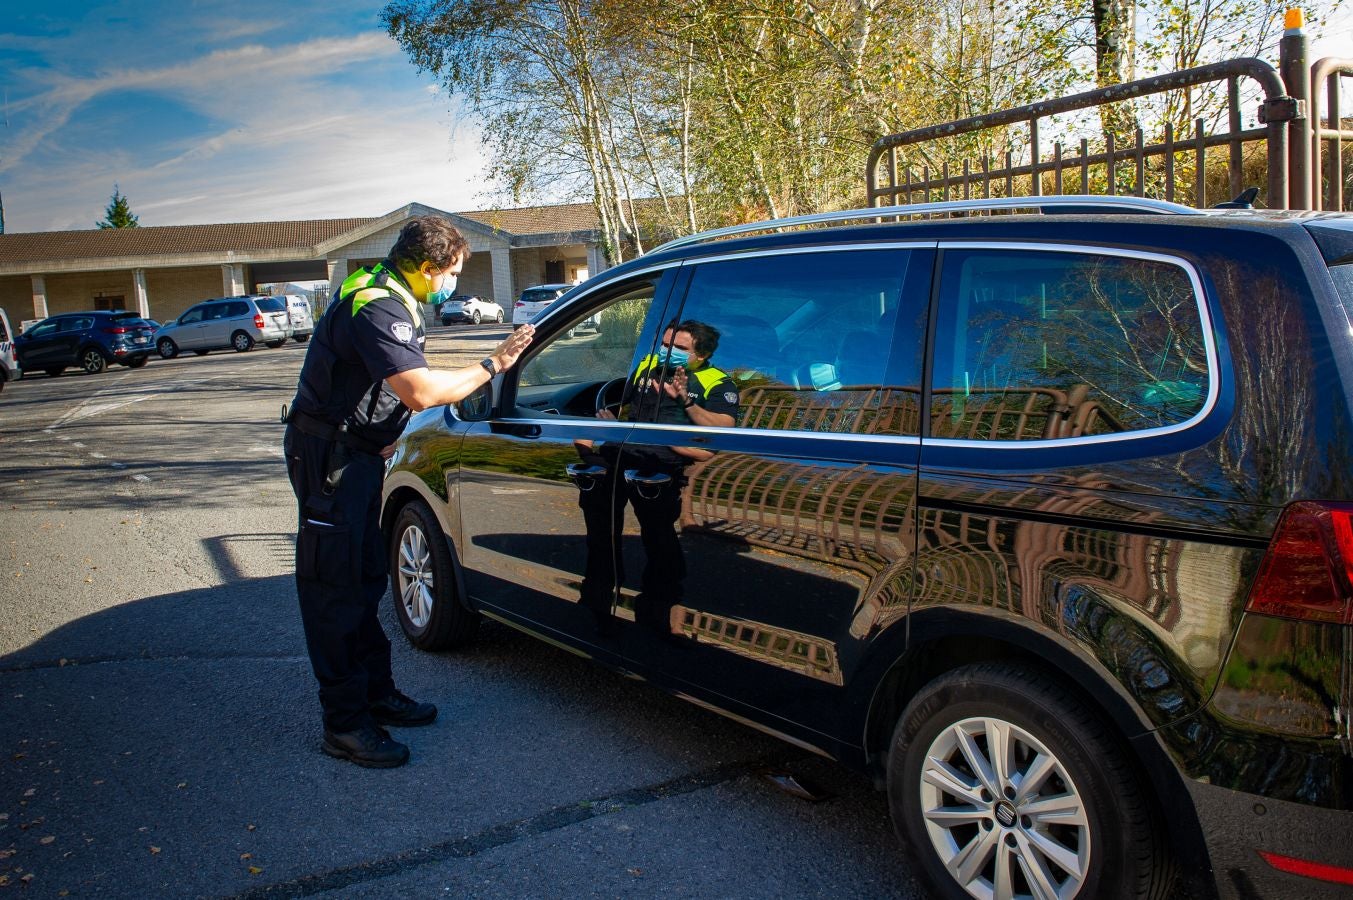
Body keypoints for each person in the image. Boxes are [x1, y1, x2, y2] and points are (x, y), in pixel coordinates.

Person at [283, 215, 533, 768]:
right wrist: (493, 364)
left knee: (366, 576)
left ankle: (376, 694)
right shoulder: (377, 305)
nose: (453, 283)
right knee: (335, 588)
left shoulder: (391, 293)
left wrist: (381, 434)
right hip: (330, 462)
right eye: (452, 272)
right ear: (425, 267)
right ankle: (345, 724)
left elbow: (383, 382)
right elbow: (419, 391)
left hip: (355, 455)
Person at [574, 320, 738, 635]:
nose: (668, 351)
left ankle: (659, 615)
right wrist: (606, 426)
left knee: (659, 541)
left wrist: (686, 401)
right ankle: (597, 604)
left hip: (664, 464)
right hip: (620, 453)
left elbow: (723, 428)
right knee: (600, 536)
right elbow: (625, 404)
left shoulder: (717, 382)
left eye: (680, 348)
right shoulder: (648, 365)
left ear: (702, 355)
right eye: (665, 344)